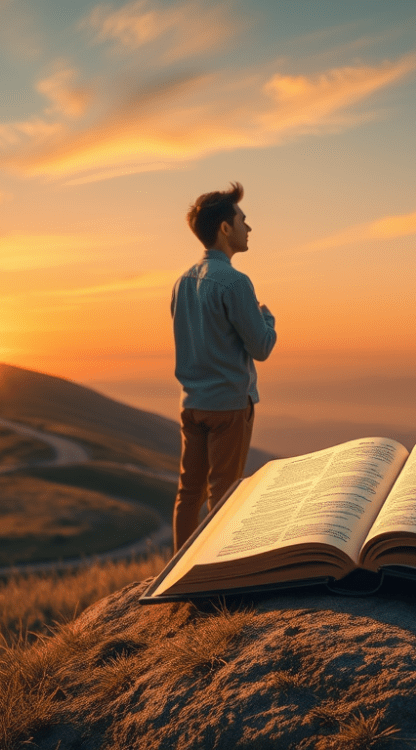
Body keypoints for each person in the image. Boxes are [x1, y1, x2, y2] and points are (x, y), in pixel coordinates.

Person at [171, 182, 277, 552]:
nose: (249, 228)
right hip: (229, 406)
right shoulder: (235, 282)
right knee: (225, 494)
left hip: (192, 403)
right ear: (225, 228)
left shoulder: (182, 282)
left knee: (189, 493)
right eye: (243, 220)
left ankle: (177, 573)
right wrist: (268, 319)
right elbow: (261, 347)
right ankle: (215, 574)